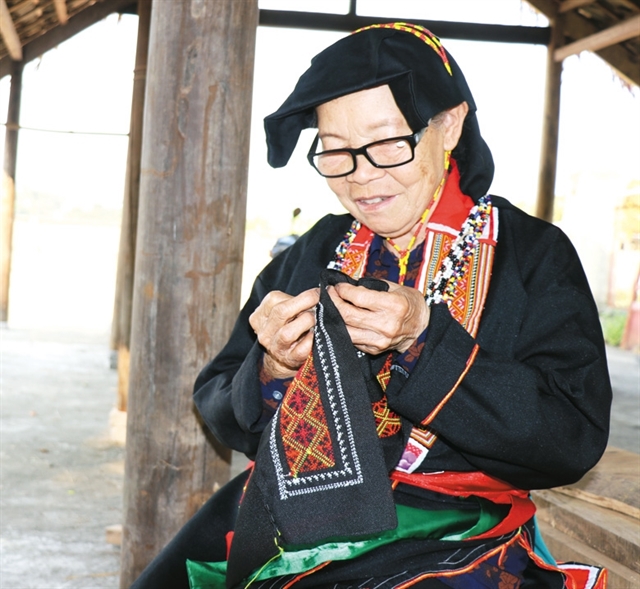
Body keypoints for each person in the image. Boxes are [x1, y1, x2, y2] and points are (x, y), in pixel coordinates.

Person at [131, 23, 611, 589]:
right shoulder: (314, 250)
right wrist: (272, 369)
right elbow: (217, 398)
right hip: (292, 513)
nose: (362, 176)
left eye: (386, 143)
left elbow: (571, 437)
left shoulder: (532, 255)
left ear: (449, 124)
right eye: (334, 152)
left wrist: (423, 340)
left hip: (453, 528)